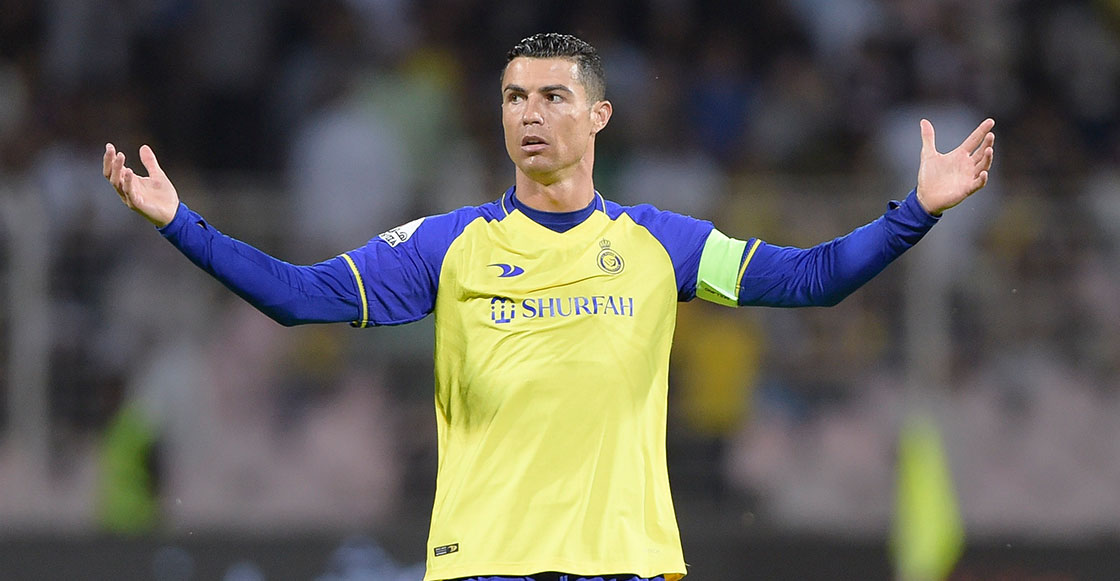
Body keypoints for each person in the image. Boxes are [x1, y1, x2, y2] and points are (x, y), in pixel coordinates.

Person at [104, 32, 995, 581]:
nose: (528, 114)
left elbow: (811, 279)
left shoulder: (663, 243)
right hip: (485, 565)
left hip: (629, 566)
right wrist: (180, 222)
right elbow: (299, 298)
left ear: (599, 115)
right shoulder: (447, 246)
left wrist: (916, 211)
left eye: (552, 96)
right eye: (513, 97)